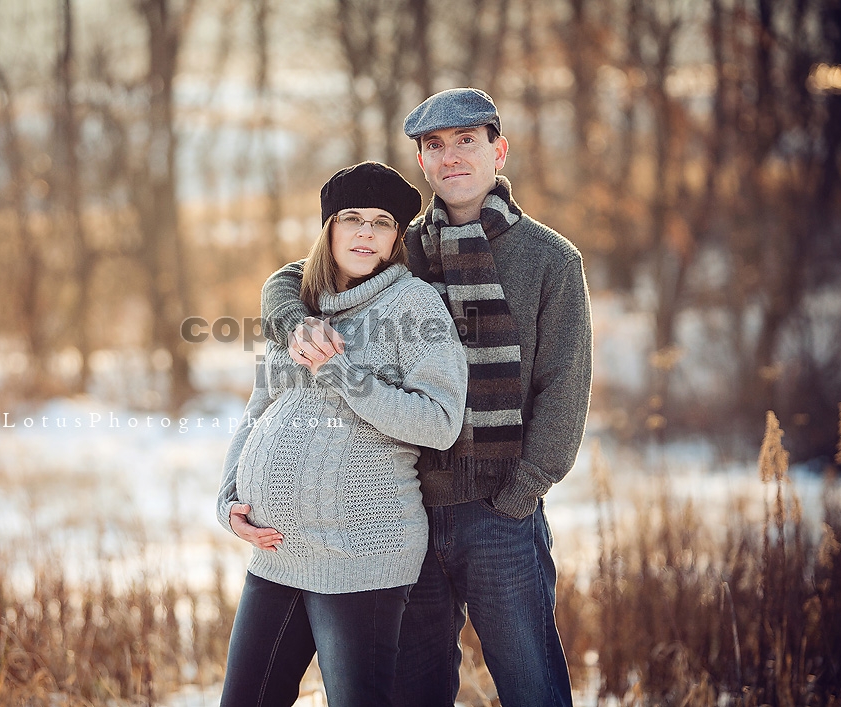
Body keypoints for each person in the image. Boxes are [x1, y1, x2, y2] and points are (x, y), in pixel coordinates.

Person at [261, 88, 593, 706]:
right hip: (409, 508)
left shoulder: (551, 259)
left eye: (467, 141)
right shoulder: (401, 242)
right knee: (415, 691)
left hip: (500, 512)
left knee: (531, 686)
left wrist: (519, 496)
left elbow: (564, 390)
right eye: (434, 146)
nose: (451, 157)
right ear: (422, 162)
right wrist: (292, 324)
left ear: (500, 150)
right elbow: (290, 278)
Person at [217, 161, 469, 706]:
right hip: (278, 550)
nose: (364, 232)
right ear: (328, 228)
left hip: (363, 554)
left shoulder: (416, 307)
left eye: (381, 222)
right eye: (350, 218)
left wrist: (343, 373)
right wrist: (228, 496)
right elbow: (260, 409)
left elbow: (441, 422)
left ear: (396, 237)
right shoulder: (301, 309)